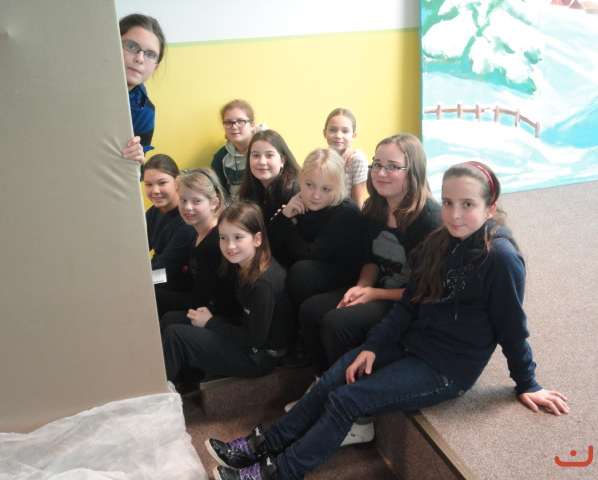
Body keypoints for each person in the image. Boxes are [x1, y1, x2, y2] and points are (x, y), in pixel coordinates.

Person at [205, 161, 569, 480]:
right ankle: (265, 444)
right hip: (411, 342)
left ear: (491, 209)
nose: (454, 214)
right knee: (332, 378)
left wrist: (527, 382)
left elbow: (512, 328)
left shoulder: (500, 258)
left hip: (446, 367)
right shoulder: (440, 241)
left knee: (347, 400)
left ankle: (282, 472)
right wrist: (373, 346)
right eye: (447, 202)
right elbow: (409, 305)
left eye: (468, 204)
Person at [294, 134, 441, 396]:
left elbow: (425, 291)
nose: (381, 173)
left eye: (392, 166)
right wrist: (362, 287)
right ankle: (323, 383)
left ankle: (351, 399)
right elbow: (371, 259)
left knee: (337, 323)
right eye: (377, 164)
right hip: (379, 289)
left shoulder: (429, 220)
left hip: (409, 302)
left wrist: (374, 294)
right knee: (310, 310)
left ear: (413, 172)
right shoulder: (376, 207)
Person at [161, 202, 295, 392]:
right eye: (223, 237)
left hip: (260, 356)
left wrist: (210, 322)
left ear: (257, 239)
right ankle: (181, 380)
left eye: (238, 237)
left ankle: (156, 394)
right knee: (171, 319)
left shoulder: (263, 283)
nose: (230, 246)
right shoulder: (244, 264)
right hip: (247, 335)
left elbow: (254, 339)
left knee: (175, 335)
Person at [267, 148, 363, 310]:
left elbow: (309, 256)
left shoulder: (345, 212)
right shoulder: (299, 200)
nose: (315, 195)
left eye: (326, 189)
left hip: (344, 274)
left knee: (301, 271)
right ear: (300, 179)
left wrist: (289, 224)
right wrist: (284, 215)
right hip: (313, 269)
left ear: (337, 187)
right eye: (310, 185)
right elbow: (269, 243)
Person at [155, 168, 230, 321]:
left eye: (196, 201)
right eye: (183, 200)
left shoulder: (213, 242)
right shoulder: (196, 233)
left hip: (217, 313)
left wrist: (152, 292)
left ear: (214, 203)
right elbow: (173, 271)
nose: (187, 207)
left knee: (167, 316)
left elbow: (198, 301)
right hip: (200, 300)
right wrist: (147, 280)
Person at [143, 154, 196, 289]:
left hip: (177, 285)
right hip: (156, 275)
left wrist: (138, 281)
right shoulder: (154, 211)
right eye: (149, 184)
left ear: (177, 182)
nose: (155, 191)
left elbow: (167, 271)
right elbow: (137, 248)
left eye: (162, 183)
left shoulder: (186, 220)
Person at [119, 13, 166, 165]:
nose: (139, 58)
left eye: (150, 55)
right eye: (131, 46)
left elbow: (135, 174)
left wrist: (136, 160)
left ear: (155, 68)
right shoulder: (78, 86)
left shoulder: (145, 112)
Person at [238, 130, 301, 224]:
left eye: (269, 155)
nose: (262, 162)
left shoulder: (295, 190)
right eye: (256, 155)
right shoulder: (249, 190)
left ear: (282, 161)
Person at [211, 100, 265, 196]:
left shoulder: (270, 146)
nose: (234, 127)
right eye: (228, 122)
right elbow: (217, 191)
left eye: (240, 121)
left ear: (252, 125)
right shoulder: (221, 156)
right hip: (235, 204)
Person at [322, 108, 368, 209]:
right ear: (325, 133)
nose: (338, 136)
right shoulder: (321, 158)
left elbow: (357, 204)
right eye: (333, 130)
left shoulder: (357, 159)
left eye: (345, 131)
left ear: (353, 136)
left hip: (347, 214)